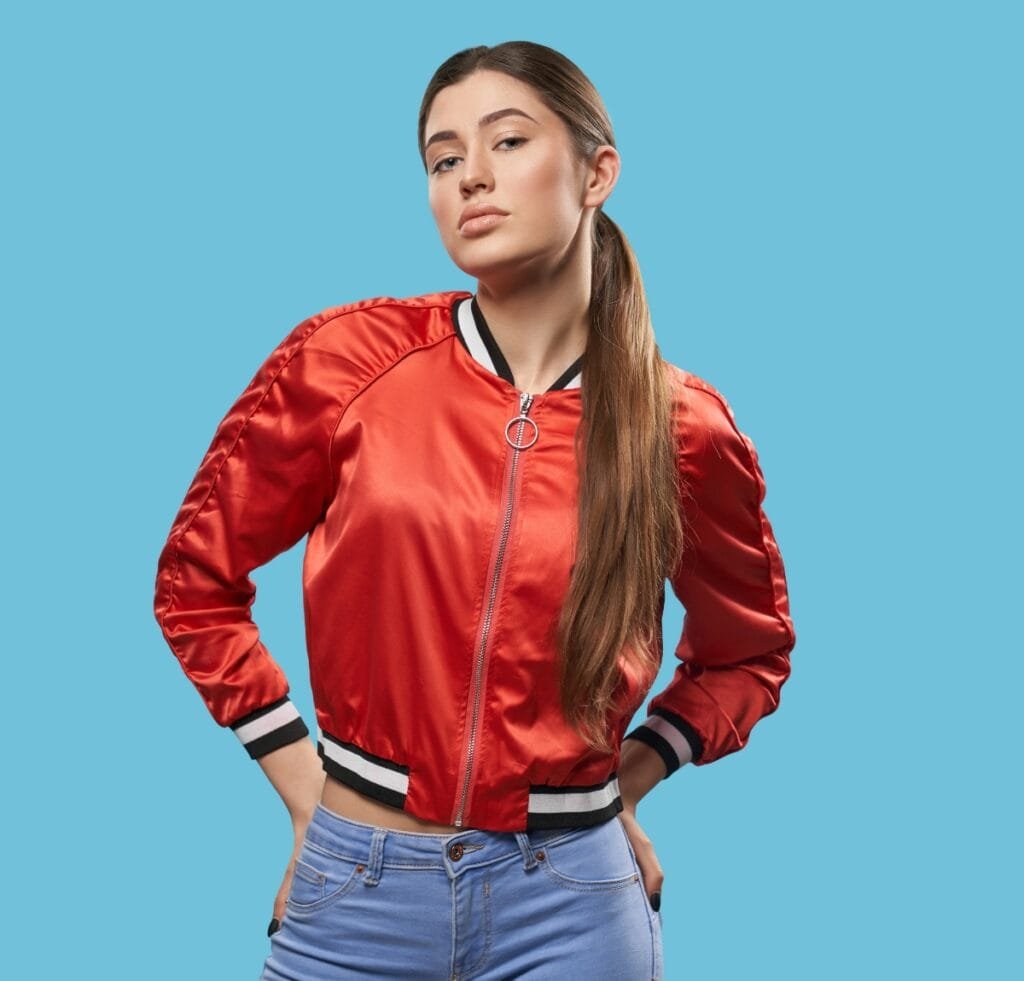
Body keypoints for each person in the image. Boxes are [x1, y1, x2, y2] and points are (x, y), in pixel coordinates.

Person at [153, 40, 796, 980]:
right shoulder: (347, 363)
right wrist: (306, 792)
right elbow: (194, 581)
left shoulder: (682, 427)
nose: (471, 179)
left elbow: (749, 649)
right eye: (444, 158)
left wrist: (628, 783)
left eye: (507, 142)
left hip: (575, 904)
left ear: (595, 172)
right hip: (358, 885)